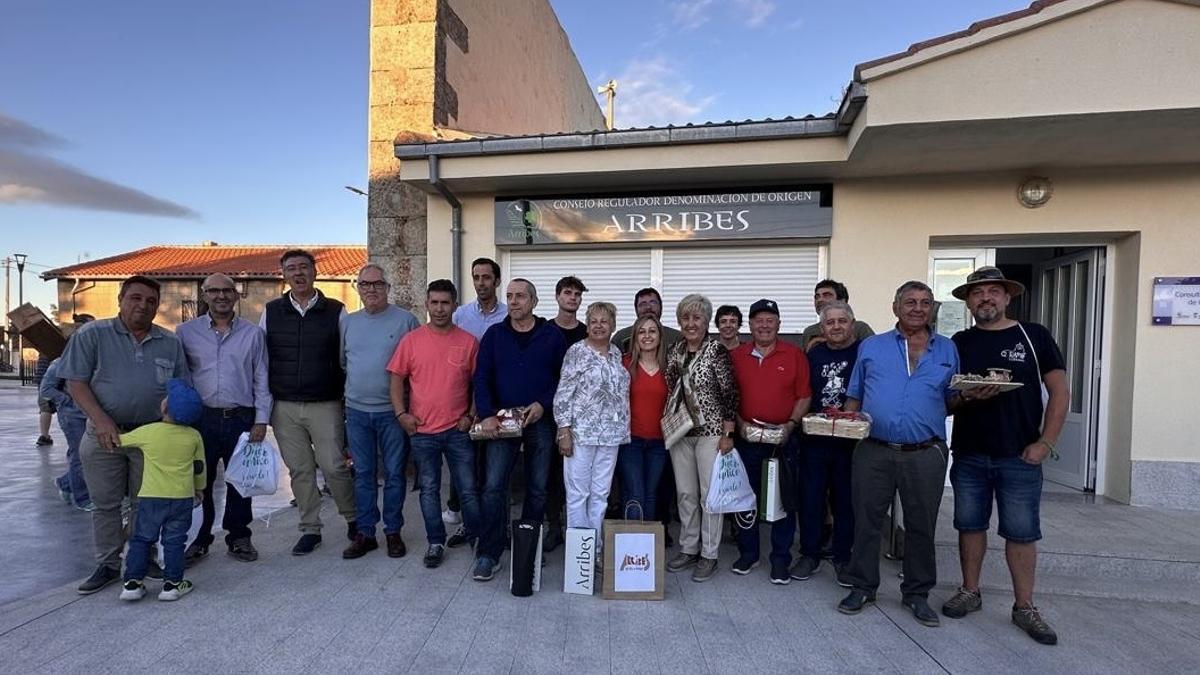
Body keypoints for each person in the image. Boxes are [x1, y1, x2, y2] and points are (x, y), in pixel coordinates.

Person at [941, 267, 1069, 645]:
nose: (986, 299)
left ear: (1007, 297)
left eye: (993, 292)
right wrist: (965, 396)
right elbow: (947, 400)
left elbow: (1060, 392)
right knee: (969, 525)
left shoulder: (1034, 336)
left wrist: (1045, 442)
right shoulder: (959, 342)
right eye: (978, 293)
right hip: (969, 453)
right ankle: (970, 590)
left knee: (1022, 532)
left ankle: (1025, 606)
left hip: (1020, 454)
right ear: (968, 301)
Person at [837, 281, 960, 627]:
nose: (918, 308)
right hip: (873, 450)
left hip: (925, 452)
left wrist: (972, 395)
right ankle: (862, 586)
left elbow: (951, 401)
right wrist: (844, 425)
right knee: (867, 521)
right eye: (910, 302)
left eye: (925, 302)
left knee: (921, 525)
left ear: (932, 308)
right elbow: (854, 397)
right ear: (896, 307)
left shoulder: (948, 350)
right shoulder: (872, 347)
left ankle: (917, 593)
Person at [60, 275, 188, 595]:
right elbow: (75, 382)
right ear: (121, 299)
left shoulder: (170, 342)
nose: (143, 305)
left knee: (146, 503)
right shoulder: (92, 335)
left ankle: (145, 558)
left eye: (150, 301)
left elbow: (180, 386)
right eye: (136, 298)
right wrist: (102, 420)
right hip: (104, 434)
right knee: (106, 504)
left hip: (150, 438)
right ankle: (108, 563)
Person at [260, 249, 356, 556]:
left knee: (334, 466)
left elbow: (345, 357)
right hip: (285, 406)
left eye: (304, 267)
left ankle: (354, 520)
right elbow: (262, 359)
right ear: (284, 275)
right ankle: (310, 528)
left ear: (315, 272)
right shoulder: (271, 311)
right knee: (300, 470)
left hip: (325, 403)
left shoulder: (336, 310)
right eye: (292, 269)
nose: (299, 273)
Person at [470, 279, 566, 582]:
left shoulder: (552, 336)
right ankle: (489, 552)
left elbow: (563, 379)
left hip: (539, 419)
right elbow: (481, 377)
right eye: (510, 296)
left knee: (537, 488)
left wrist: (543, 404)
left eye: (521, 296)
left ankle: (529, 548)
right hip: (501, 422)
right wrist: (486, 415)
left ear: (534, 302)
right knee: (494, 487)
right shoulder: (494, 335)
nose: (513, 302)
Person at [176, 273, 272, 565]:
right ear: (204, 295)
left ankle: (239, 537)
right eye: (214, 291)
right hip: (199, 420)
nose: (221, 296)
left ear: (235, 296)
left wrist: (261, 420)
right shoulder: (185, 333)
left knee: (240, 482)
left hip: (240, 418)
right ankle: (198, 539)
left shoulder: (253, 334)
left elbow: (261, 379)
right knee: (198, 482)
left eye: (227, 291)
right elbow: (180, 377)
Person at [389, 279, 481, 569]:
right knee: (428, 490)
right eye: (434, 303)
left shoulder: (468, 342)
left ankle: (477, 538)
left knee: (467, 488)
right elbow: (396, 379)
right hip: (422, 432)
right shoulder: (411, 340)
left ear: (455, 305)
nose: (439, 309)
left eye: (445, 303)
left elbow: (479, 384)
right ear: (427, 304)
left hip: (458, 430)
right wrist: (401, 414)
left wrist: (471, 415)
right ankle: (435, 541)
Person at [340, 264, 420, 559]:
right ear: (357, 288)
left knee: (396, 474)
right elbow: (344, 362)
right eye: (364, 284)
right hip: (357, 412)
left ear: (388, 287)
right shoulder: (348, 323)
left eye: (377, 284)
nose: (371, 289)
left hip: (393, 413)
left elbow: (415, 367)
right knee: (362, 474)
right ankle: (366, 533)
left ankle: (393, 532)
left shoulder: (406, 321)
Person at [729, 299, 811, 584]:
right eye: (758, 320)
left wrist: (790, 425)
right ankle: (749, 553)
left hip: (782, 439)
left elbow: (804, 395)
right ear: (749, 325)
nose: (764, 325)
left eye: (770, 320)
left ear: (779, 323)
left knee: (783, 501)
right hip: (747, 438)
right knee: (745, 499)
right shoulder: (737, 356)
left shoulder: (794, 355)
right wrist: (739, 424)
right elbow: (729, 397)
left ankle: (780, 559)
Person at [664, 294, 738, 583]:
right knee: (685, 493)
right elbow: (671, 386)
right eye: (686, 318)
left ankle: (709, 553)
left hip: (711, 433)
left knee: (709, 495)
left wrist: (728, 433)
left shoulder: (717, 351)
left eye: (697, 318)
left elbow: (730, 392)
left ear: (707, 322)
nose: (690, 323)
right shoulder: (674, 350)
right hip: (681, 432)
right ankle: (688, 547)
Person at [116, 380, 205, 602]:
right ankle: (172, 585)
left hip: (151, 498)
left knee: (142, 539)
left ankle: (132, 583)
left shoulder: (150, 432)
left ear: (165, 408)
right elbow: (199, 467)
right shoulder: (194, 436)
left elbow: (119, 441)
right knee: (174, 541)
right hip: (182, 497)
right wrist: (199, 488)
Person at [793, 300, 862, 586]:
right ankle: (809, 553)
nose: (836, 327)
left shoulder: (863, 353)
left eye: (841, 321)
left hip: (849, 442)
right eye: (830, 322)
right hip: (815, 439)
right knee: (810, 499)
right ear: (822, 328)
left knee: (845, 501)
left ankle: (843, 556)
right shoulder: (813, 354)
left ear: (851, 324)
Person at [554, 302, 630, 542]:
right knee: (578, 494)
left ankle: (594, 546)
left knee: (601, 494)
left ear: (612, 326)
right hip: (581, 435)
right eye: (594, 321)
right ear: (588, 325)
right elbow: (564, 392)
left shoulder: (616, 354)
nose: (599, 326)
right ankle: (579, 553)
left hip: (610, 436)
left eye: (604, 321)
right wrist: (564, 430)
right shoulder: (577, 351)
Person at [447, 257, 507, 527]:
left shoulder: (508, 314)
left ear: (496, 280)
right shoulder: (461, 315)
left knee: (490, 452)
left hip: (498, 393)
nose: (480, 283)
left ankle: (487, 509)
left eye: (486, 277)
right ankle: (457, 505)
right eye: (476, 277)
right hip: (464, 390)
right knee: (463, 450)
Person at [545, 275, 589, 552]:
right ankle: (553, 527)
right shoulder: (545, 330)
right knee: (549, 473)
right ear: (558, 296)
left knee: (577, 475)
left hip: (582, 415)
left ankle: (579, 529)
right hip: (549, 411)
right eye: (568, 293)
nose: (572, 298)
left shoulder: (587, 333)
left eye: (576, 294)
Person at [616, 316, 669, 522]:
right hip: (631, 440)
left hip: (660, 441)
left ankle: (646, 548)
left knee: (650, 493)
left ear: (660, 336)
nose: (647, 336)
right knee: (635, 492)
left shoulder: (669, 367)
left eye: (652, 331)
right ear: (635, 337)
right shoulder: (624, 364)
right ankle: (630, 544)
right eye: (642, 331)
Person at [40, 353, 93, 511]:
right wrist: (67, 400)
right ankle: (82, 498)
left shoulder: (94, 360)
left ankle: (65, 483)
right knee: (79, 455)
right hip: (72, 416)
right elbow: (46, 389)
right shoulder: (60, 363)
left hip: (89, 414)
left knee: (84, 455)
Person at [800, 279, 875, 349]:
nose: (820, 300)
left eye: (826, 295)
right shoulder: (810, 331)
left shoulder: (860, 328)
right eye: (817, 297)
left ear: (842, 301)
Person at [611, 287, 682, 354]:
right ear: (636, 309)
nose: (648, 307)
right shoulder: (621, 338)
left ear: (661, 307)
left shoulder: (677, 338)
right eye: (643, 304)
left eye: (653, 302)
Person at [34, 352, 55, 446]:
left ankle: (44, 435)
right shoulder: (56, 349)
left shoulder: (43, 350)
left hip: (42, 381)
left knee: (45, 408)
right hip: (53, 380)